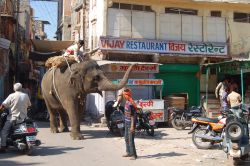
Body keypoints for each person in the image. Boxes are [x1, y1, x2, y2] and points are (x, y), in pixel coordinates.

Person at [0, 83, 31, 153]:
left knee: (4, 132)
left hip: (12, 118)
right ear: (21, 88)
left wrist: (1, 109)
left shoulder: (11, 96)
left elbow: (3, 105)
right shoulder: (25, 95)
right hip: (23, 119)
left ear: (14, 89)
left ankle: (3, 147)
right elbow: (29, 105)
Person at [122, 88, 137, 160]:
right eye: (124, 95)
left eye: (125, 95)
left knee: (131, 140)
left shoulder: (131, 103)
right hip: (126, 123)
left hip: (131, 124)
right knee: (126, 138)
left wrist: (132, 126)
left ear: (128, 95)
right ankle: (128, 152)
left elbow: (133, 116)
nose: (124, 96)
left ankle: (134, 155)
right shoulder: (127, 102)